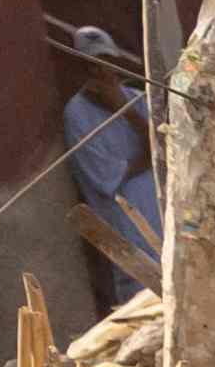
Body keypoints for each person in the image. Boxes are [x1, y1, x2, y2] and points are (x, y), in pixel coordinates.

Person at [56, 27, 159, 301]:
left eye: (107, 64)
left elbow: (163, 146)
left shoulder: (136, 98)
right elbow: (107, 178)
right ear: (82, 70)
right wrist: (147, 156)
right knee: (142, 295)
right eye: (93, 67)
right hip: (126, 220)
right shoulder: (76, 115)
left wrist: (123, 110)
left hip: (161, 208)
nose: (102, 74)